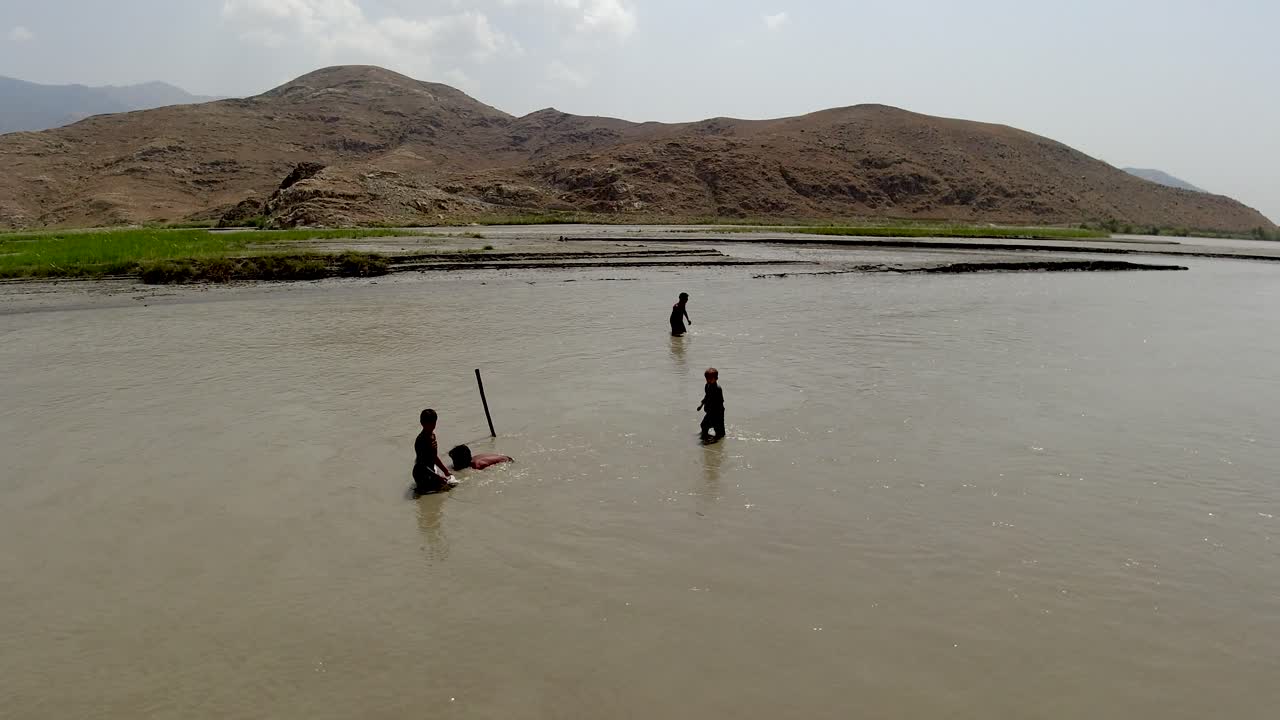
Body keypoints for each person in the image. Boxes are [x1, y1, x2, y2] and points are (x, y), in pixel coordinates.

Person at [413, 408, 458, 496]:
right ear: (422, 423)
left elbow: (434, 457)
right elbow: (421, 464)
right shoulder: (420, 441)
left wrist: (445, 471)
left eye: (434, 423)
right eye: (430, 424)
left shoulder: (432, 436)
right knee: (448, 488)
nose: (433, 426)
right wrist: (438, 477)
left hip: (430, 470)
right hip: (421, 472)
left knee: (452, 484)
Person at [697, 367, 726, 442]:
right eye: (707, 379)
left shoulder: (718, 389)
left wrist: (713, 413)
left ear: (716, 378)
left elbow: (720, 402)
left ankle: (716, 442)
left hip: (717, 412)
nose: (708, 380)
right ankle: (705, 437)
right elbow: (706, 396)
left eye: (710, 379)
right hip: (710, 411)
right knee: (703, 426)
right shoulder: (707, 386)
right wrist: (701, 404)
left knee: (720, 432)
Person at [448, 445, 514, 471]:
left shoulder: (478, 465)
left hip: (509, 461)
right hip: (504, 457)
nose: (454, 463)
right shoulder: (470, 459)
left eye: (454, 460)